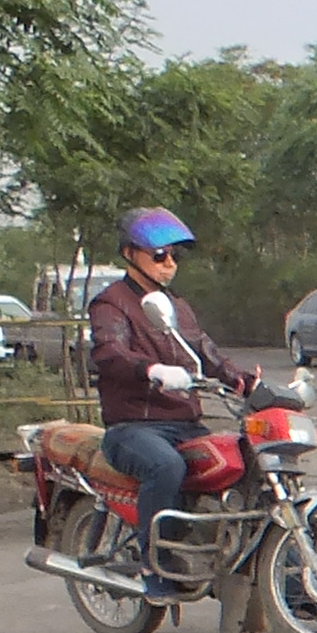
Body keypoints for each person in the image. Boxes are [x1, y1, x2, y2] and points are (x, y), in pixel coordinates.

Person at [87, 206, 259, 603]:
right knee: (166, 466)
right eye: (160, 255)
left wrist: (249, 383)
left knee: (248, 465)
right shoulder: (111, 304)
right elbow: (110, 352)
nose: (169, 264)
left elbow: (207, 355)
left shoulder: (177, 307)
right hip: (133, 426)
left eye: (174, 256)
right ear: (130, 254)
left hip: (185, 424)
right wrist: (151, 369)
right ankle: (154, 564)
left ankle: (284, 584)